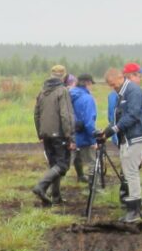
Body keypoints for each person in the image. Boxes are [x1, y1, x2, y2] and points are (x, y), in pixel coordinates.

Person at [101, 66, 142, 223]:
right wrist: (106, 131)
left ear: (119, 77)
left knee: (131, 172)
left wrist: (114, 129)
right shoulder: (121, 92)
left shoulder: (133, 91)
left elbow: (132, 115)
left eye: (112, 83)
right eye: (109, 85)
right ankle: (133, 206)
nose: (112, 87)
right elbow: (119, 116)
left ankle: (135, 210)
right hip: (127, 136)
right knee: (128, 170)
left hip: (135, 136)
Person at [32, 65, 75, 205]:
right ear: (63, 76)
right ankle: (41, 186)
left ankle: (56, 196)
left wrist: (40, 132)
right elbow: (66, 115)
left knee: (54, 165)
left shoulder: (42, 92)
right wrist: (70, 135)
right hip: (59, 134)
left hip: (45, 134)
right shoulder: (62, 91)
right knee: (62, 165)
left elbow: (36, 114)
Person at [70, 74, 98, 184]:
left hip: (69, 136)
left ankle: (52, 190)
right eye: (91, 84)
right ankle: (94, 189)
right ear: (87, 83)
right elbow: (89, 122)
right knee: (93, 162)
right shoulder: (87, 98)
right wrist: (93, 140)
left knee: (63, 165)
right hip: (84, 136)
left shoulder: (67, 95)